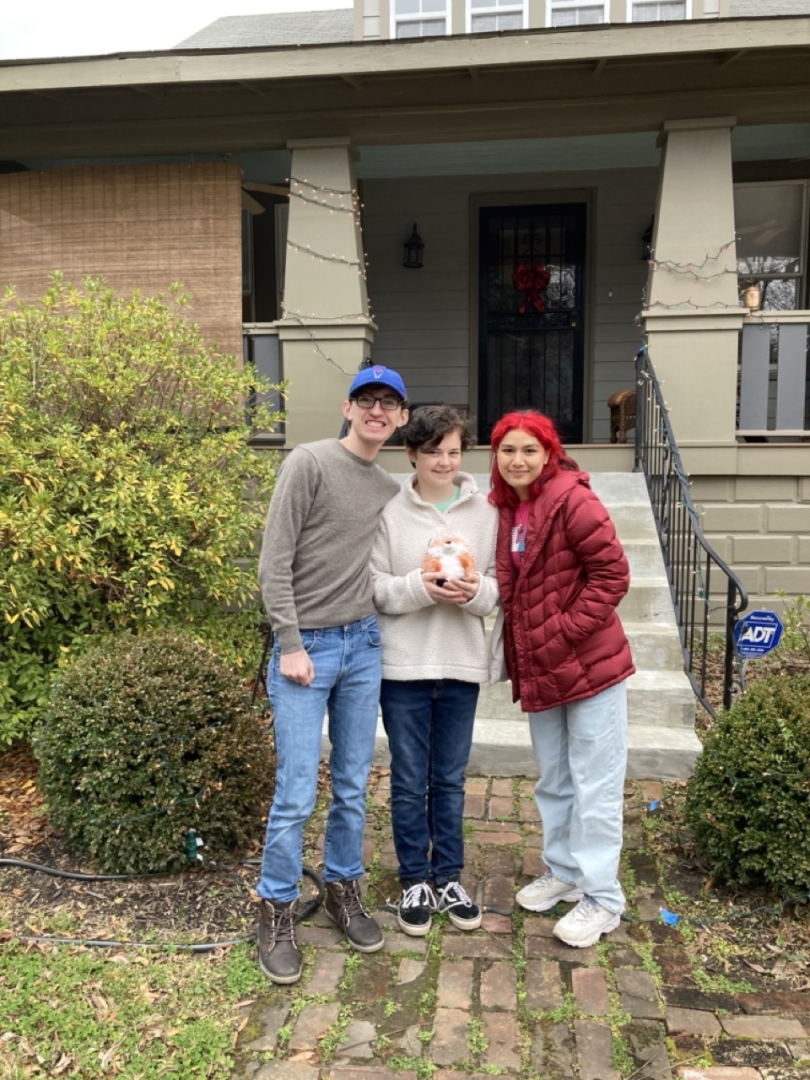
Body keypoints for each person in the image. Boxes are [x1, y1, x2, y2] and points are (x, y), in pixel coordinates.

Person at [255, 365, 409, 984]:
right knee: (295, 789)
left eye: (389, 404)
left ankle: (344, 888)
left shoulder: (388, 488)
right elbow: (275, 558)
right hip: (306, 649)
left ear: (400, 418)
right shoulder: (308, 462)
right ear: (348, 407)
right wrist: (289, 641)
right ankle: (275, 907)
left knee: (351, 782)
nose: (377, 411)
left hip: (363, 644)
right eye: (367, 400)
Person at [488, 410, 635, 949]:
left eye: (529, 449)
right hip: (544, 669)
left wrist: (566, 631)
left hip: (590, 666)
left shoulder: (573, 499)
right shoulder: (509, 508)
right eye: (508, 450)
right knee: (554, 779)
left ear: (549, 453)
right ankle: (566, 872)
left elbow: (613, 573)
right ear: (496, 457)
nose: (518, 460)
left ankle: (603, 898)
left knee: (595, 783)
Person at [371, 405, 499, 936]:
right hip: (401, 666)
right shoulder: (389, 510)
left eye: (453, 452)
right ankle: (413, 881)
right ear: (412, 455)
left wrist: (475, 594)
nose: (444, 462)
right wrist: (418, 587)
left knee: (447, 778)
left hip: (461, 662)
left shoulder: (487, 511)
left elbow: (497, 587)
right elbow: (373, 585)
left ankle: (447, 876)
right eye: (432, 453)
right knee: (407, 780)